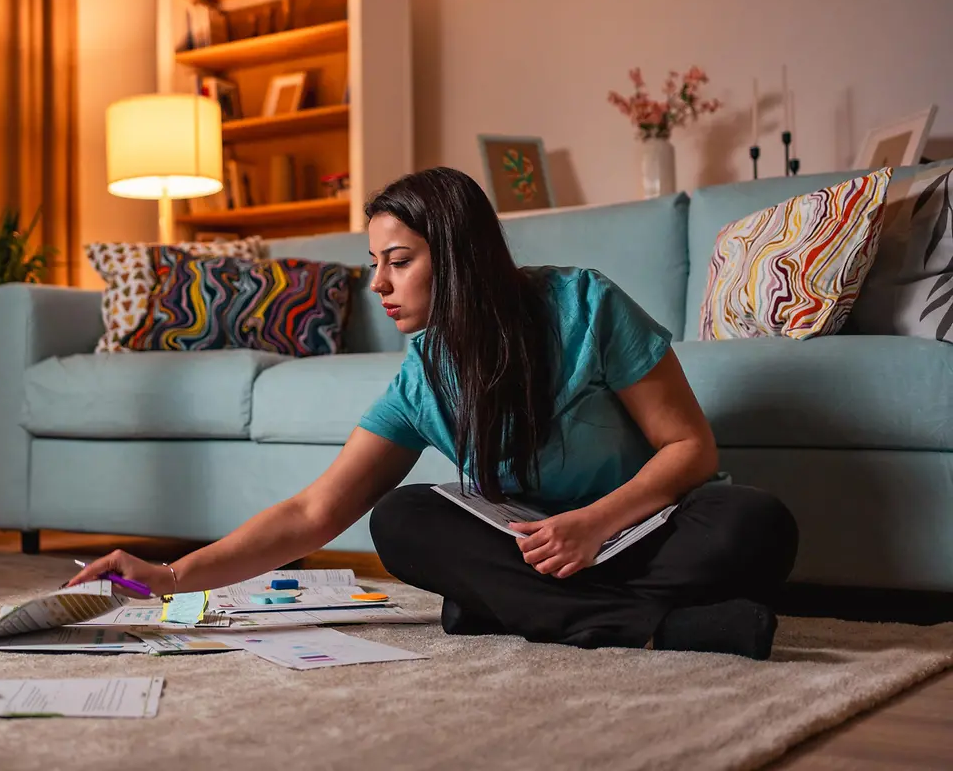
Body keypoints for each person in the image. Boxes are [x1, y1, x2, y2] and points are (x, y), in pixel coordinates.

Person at [69, 166, 799, 659]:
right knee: (402, 518)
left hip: (636, 530)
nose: (378, 286)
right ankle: (647, 625)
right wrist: (169, 577)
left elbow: (690, 450)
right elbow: (314, 513)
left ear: (457, 255)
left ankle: (509, 605)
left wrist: (594, 523)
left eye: (399, 261)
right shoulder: (422, 377)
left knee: (757, 527)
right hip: (526, 549)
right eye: (373, 266)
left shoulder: (585, 304)